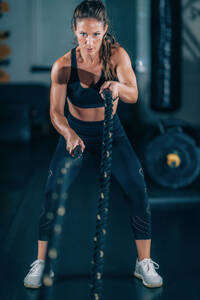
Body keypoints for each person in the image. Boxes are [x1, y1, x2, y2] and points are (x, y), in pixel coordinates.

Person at [24, 0, 163, 290]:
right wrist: (69, 134)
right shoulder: (63, 66)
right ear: (75, 30)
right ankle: (40, 262)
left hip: (113, 134)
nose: (89, 42)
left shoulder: (116, 57)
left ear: (105, 30)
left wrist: (117, 87)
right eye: (83, 34)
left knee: (138, 189)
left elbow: (134, 94)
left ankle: (144, 263)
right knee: (52, 191)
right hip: (76, 134)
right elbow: (55, 113)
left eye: (96, 35)